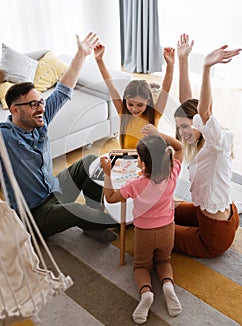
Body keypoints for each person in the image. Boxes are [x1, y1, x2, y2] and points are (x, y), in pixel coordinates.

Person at [0, 32, 118, 243]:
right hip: (33, 217)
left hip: (53, 190)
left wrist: (82, 53)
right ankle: (122, 219)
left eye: (41, 101)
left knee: (90, 161)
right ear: (14, 110)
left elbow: (63, 90)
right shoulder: (4, 137)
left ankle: (93, 222)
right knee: (75, 210)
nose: (40, 108)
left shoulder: (40, 117)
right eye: (33, 104)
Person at [100, 133, 183, 324]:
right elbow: (179, 147)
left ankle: (146, 294)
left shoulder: (136, 185)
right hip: (167, 230)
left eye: (138, 157)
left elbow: (111, 198)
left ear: (143, 164)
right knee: (164, 261)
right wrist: (159, 135)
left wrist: (107, 172)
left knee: (141, 266)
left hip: (144, 233)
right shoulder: (172, 175)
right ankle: (168, 287)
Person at [173, 33, 241, 257]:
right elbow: (188, 105)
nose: (182, 133)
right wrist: (182, 60)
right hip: (215, 215)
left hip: (213, 237)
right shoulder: (198, 137)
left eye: (185, 127)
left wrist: (205, 68)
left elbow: (203, 111)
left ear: (200, 124)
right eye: (179, 127)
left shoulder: (216, 143)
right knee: (167, 207)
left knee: (155, 227)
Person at [94, 42, 175, 149]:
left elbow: (165, 90)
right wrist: (99, 60)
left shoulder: (154, 114)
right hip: (126, 160)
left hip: (147, 163)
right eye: (130, 104)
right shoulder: (123, 112)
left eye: (140, 105)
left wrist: (170, 65)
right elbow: (111, 85)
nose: (134, 109)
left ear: (148, 102)